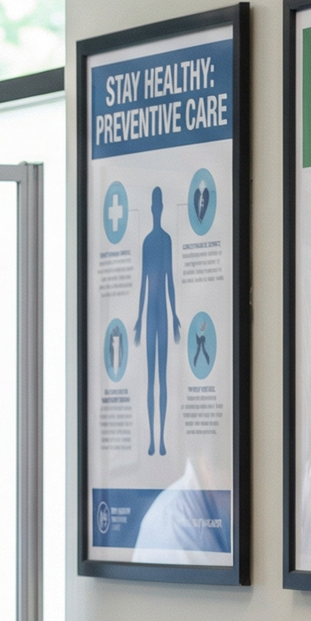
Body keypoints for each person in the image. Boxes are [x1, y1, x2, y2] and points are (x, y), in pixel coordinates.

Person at [133, 187, 179, 457]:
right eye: (155, 206)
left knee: (163, 379)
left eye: (159, 205)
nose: (157, 209)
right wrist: (139, 318)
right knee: (151, 379)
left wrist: (174, 316)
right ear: (152, 209)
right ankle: (152, 440)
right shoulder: (148, 242)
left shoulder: (166, 241)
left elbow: (170, 279)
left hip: (162, 312)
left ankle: (161, 440)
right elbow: (142, 283)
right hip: (150, 313)